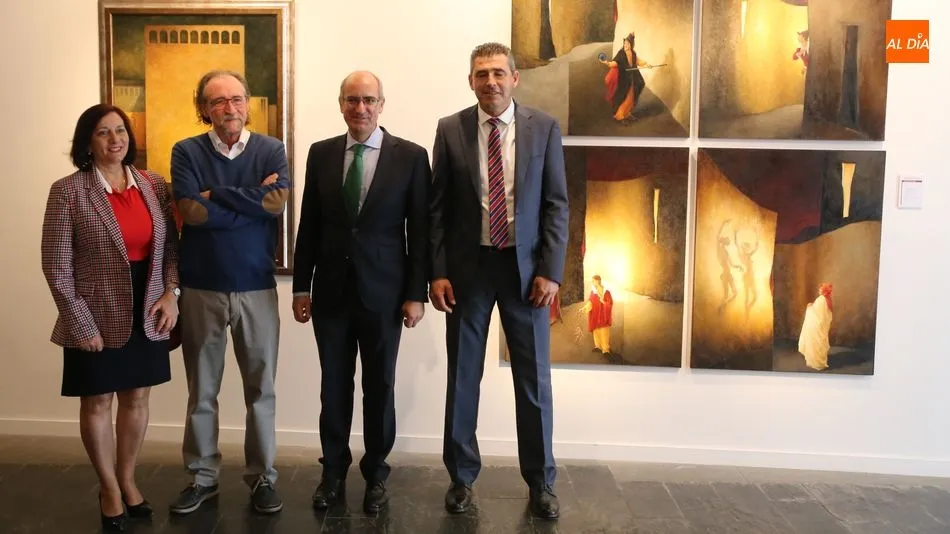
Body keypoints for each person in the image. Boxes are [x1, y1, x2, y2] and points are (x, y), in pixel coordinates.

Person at [429, 42, 569, 520]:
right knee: (464, 376)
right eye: (481, 74)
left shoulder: (544, 128)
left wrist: (551, 269)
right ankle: (461, 478)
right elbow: (439, 209)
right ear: (471, 81)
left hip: (525, 270)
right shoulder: (450, 130)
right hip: (469, 269)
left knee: (533, 382)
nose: (490, 81)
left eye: (498, 73)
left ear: (515, 79)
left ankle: (541, 482)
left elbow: (556, 204)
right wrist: (439, 269)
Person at [292, 70, 430, 514]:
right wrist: (300, 285)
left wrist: (416, 294)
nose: (361, 108)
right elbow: (309, 223)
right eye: (352, 100)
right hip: (330, 294)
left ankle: (375, 473)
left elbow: (420, 233)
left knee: (379, 387)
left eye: (369, 100)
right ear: (341, 104)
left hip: (385, 295)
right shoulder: (321, 153)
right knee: (333, 387)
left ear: (382, 104)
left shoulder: (410, 157)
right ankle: (332, 471)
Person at [41, 103, 180, 532]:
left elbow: (172, 249)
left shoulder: (154, 184)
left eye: (120, 131)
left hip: (149, 306)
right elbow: (56, 266)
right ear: (88, 142)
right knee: (98, 402)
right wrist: (80, 323)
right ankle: (108, 488)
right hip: (94, 310)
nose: (115, 139)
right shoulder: (68, 191)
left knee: (138, 399)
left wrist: (172, 295)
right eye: (103, 133)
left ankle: (128, 478)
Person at [168, 70, 290, 515]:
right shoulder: (186, 151)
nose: (229, 108)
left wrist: (216, 193)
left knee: (262, 389)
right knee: (202, 390)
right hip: (202, 287)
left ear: (247, 103)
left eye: (236, 99)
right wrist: (248, 201)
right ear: (205, 109)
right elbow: (191, 212)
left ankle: (262, 478)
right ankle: (202, 478)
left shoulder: (270, 148)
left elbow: (276, 203)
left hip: (257, 286)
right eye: (217, 101)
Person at [600, 32, 652, 123]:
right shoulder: (621, 53)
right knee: (623, 96)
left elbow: (639, 61)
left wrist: (647, 64)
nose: (625, 45)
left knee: (632, 96)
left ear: (631, 45)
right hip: (624, 78)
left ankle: (627, 113)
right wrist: (607, 63)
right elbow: (615, 63)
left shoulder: (633, 53)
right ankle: (620, 116)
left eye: (627, 44)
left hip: (633, 77)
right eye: (624, 43)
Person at [798, 282, 833, 371]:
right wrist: (812, 306)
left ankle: (816, 362)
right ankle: (819, 362)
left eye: (821, 288)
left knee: (815, 342)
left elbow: (816, 314)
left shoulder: (821, 299)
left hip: (816, 326)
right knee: (819, 343)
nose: (819, 289)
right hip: (820, 326)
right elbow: (823, 314)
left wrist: (809, 307)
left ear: (824, 291)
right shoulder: (827, 299)